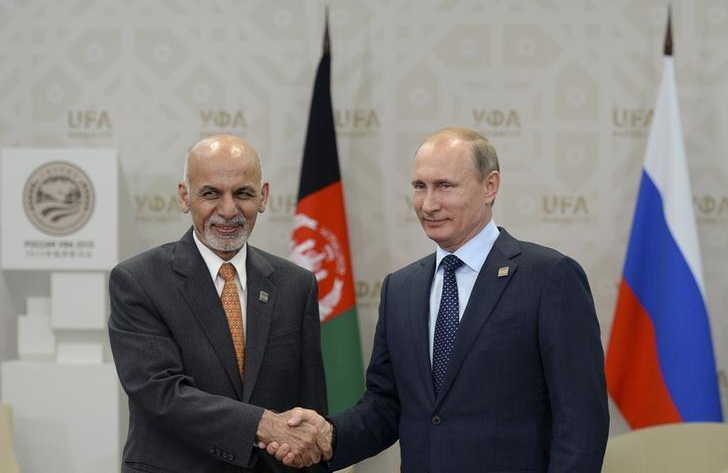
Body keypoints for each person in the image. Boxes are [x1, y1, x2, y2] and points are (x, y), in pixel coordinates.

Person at [266, 127, 609, 472]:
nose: (429, 204)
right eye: (420, 187)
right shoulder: (400, 289)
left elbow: (581, 421)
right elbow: (387, 406)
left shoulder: (549, 277)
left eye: (445, 186)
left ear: (490, 186)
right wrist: (329, 436)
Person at [108, 134, 330, 473]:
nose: (228, 210)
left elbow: (310, 408)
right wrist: (262, 423)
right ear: (185, 197)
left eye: (242, 193)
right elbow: (161, 393)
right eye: (211, 193)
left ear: (263, 196)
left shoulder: (295, 285)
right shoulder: (138, 281)